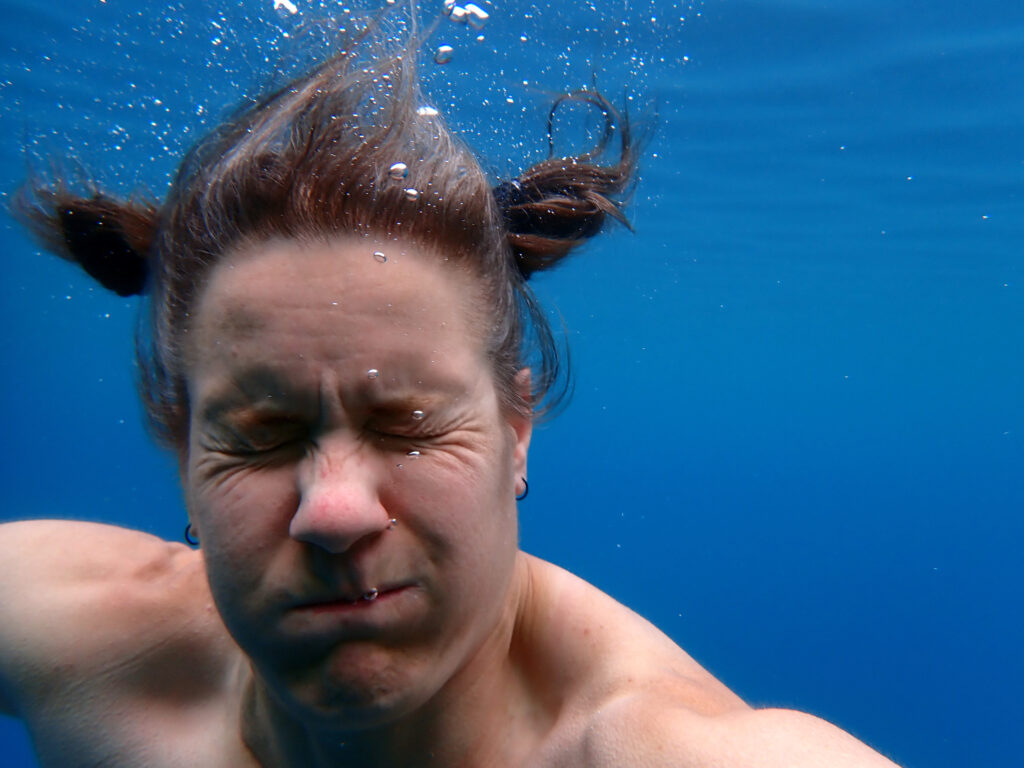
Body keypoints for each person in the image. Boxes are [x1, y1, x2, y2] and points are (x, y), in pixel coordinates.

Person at [0, 12, 902, 768]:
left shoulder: (659, 748)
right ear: (184, 452)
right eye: (263, 434)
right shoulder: (76, 638)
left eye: (409, 425)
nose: (336, 511)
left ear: (517, 433)